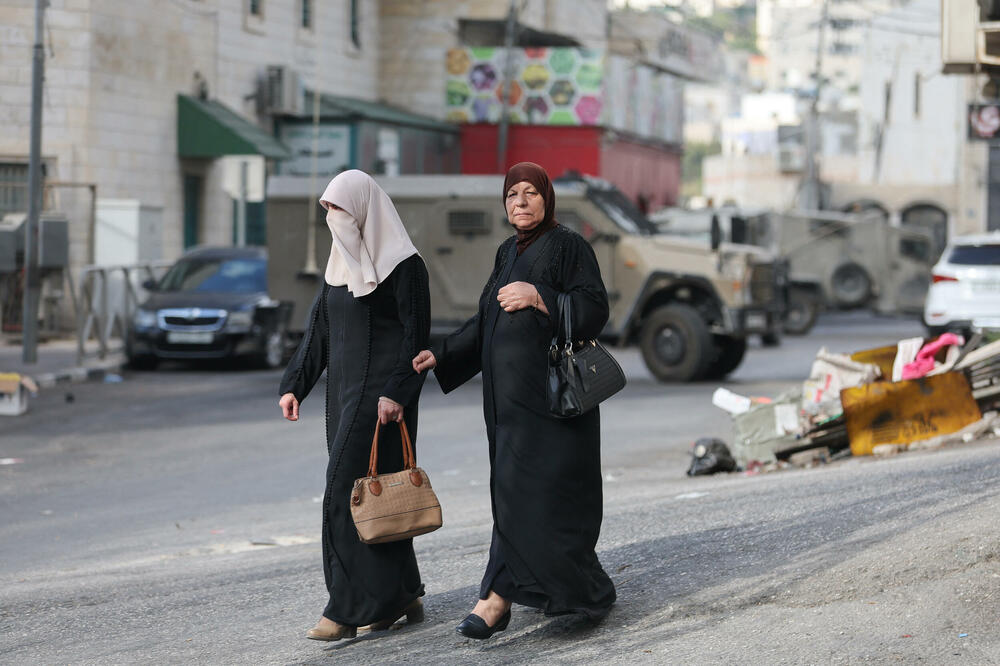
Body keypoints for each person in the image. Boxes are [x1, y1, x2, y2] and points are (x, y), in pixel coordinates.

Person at [412, 162, 616, 639]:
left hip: (553, 406)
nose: (520, 202)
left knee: (548, 497)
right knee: (513, 494)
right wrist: (439, 355)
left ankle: (507, 598)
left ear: (547, 198)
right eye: (512, 195)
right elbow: (486, 319)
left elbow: (594, 309)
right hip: (508, 407)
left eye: (530, 193)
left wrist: (539, 295)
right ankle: (518, 594)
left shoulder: (569, 245)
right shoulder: (506, 250)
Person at [279, 169, 430, 641]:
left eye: (341, 209)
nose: (335, 219)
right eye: (329, 210)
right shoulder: (336, 269)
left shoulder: (405, 265)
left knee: (344, 494)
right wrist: (294, 386)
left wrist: (397, 392)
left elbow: (415, 336)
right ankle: (401, 593)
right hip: (342, 399)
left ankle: (344, 610)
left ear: (365, 209)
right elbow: (318, 335)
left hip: (384, 401)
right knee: (378, 496)